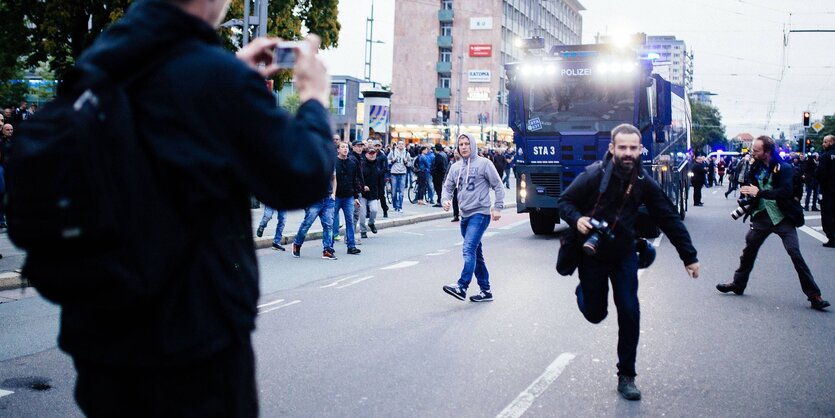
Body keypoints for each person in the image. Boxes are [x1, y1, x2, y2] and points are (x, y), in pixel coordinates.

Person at [51, 1, 336, 416]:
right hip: (190, 342)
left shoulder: (103, 61)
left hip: (101, 337)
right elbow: (302, 175)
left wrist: (230, 75)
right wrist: (314, 97)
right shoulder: (211, 79)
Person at [557, 123, 700, 401]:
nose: (627, 153)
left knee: (630, 311)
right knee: (596, 314)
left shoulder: (643, 181)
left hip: (624, 256)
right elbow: (565, 202)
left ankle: (627, 376)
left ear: (639, 149)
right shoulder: (593, 175)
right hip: (593, 256)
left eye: (633, 148)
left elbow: (668, 217)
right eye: (622, 147)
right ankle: (583, 292)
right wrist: (578, 219)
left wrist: (689, 257)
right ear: (611, 148)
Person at [717, 136, 830, 310]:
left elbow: (785, 191)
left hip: (782, 217)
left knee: (795, 254)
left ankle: (814, 295)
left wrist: (759, 193)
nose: (752, 152)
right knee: (748, 251)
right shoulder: (755, 166)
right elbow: (753, 189)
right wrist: (748, 194)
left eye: (756, 150)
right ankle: (738, 284)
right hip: (761, 216)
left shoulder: (784, 168)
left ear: (767, 152)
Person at [441, 133, 504, 303]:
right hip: (465, 215)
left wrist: (497, 207)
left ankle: (462, 286)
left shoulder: (485, 164)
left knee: (468, 248)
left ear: (473, 145)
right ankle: (486, 290)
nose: (464, 147)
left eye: (467, 143)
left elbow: (498, 185)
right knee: (477, 253)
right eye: (461, 144)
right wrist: (445, 200)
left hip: (480, 213)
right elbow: (447, 187)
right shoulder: (455, 167)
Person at [292, 171, 337, 259]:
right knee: (307, 224)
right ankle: (297, 244)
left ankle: (327, 250)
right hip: (314, 200)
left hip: (328, 199)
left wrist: (333, 194)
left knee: (328, 225)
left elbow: (334, 178)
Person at [333, 141, 362, 255]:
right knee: (330, 221)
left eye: (346, 147)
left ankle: (351, 246)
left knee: (350, 221)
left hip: (349, 196)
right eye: (342, 147)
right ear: (338, 150)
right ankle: (329, 246)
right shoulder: (334, 162)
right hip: (336, 197)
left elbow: (355, 180)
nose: (345, 149)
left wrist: (356, 197)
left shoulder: (352, 163)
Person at [358, 147, 382, 239]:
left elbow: (380, 179)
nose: (372, 155)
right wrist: (362, 186)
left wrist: (381, 192)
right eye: (370, 153)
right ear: (366, 154)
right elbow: (358, 178)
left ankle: (371, 223)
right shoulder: (361, 164)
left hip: (374, 192)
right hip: (362, 193)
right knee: (362, 214)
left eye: (373, 153)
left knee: (374, 210)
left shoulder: (378, 164)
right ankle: (363, 231)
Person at [817, 135, 835, 247]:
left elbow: (820, 174)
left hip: (828, 191)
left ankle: (832, 238)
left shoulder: (825, 156)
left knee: (828, 214)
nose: (823, 144)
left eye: (825, 142)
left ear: (831, 142)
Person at [388, 140, 410, 212]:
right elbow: (387, 160)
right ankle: (394, 206)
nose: (401, 145)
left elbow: (410, 164)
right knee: (393, 191)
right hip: (394, 173)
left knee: (401, 192)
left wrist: (406, 161)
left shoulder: (407, 153)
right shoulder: (393, 152)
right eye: (399, 144)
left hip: (403, 173)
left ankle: (400, 207)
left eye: (402, 144)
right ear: (397, 145)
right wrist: (392, 160)